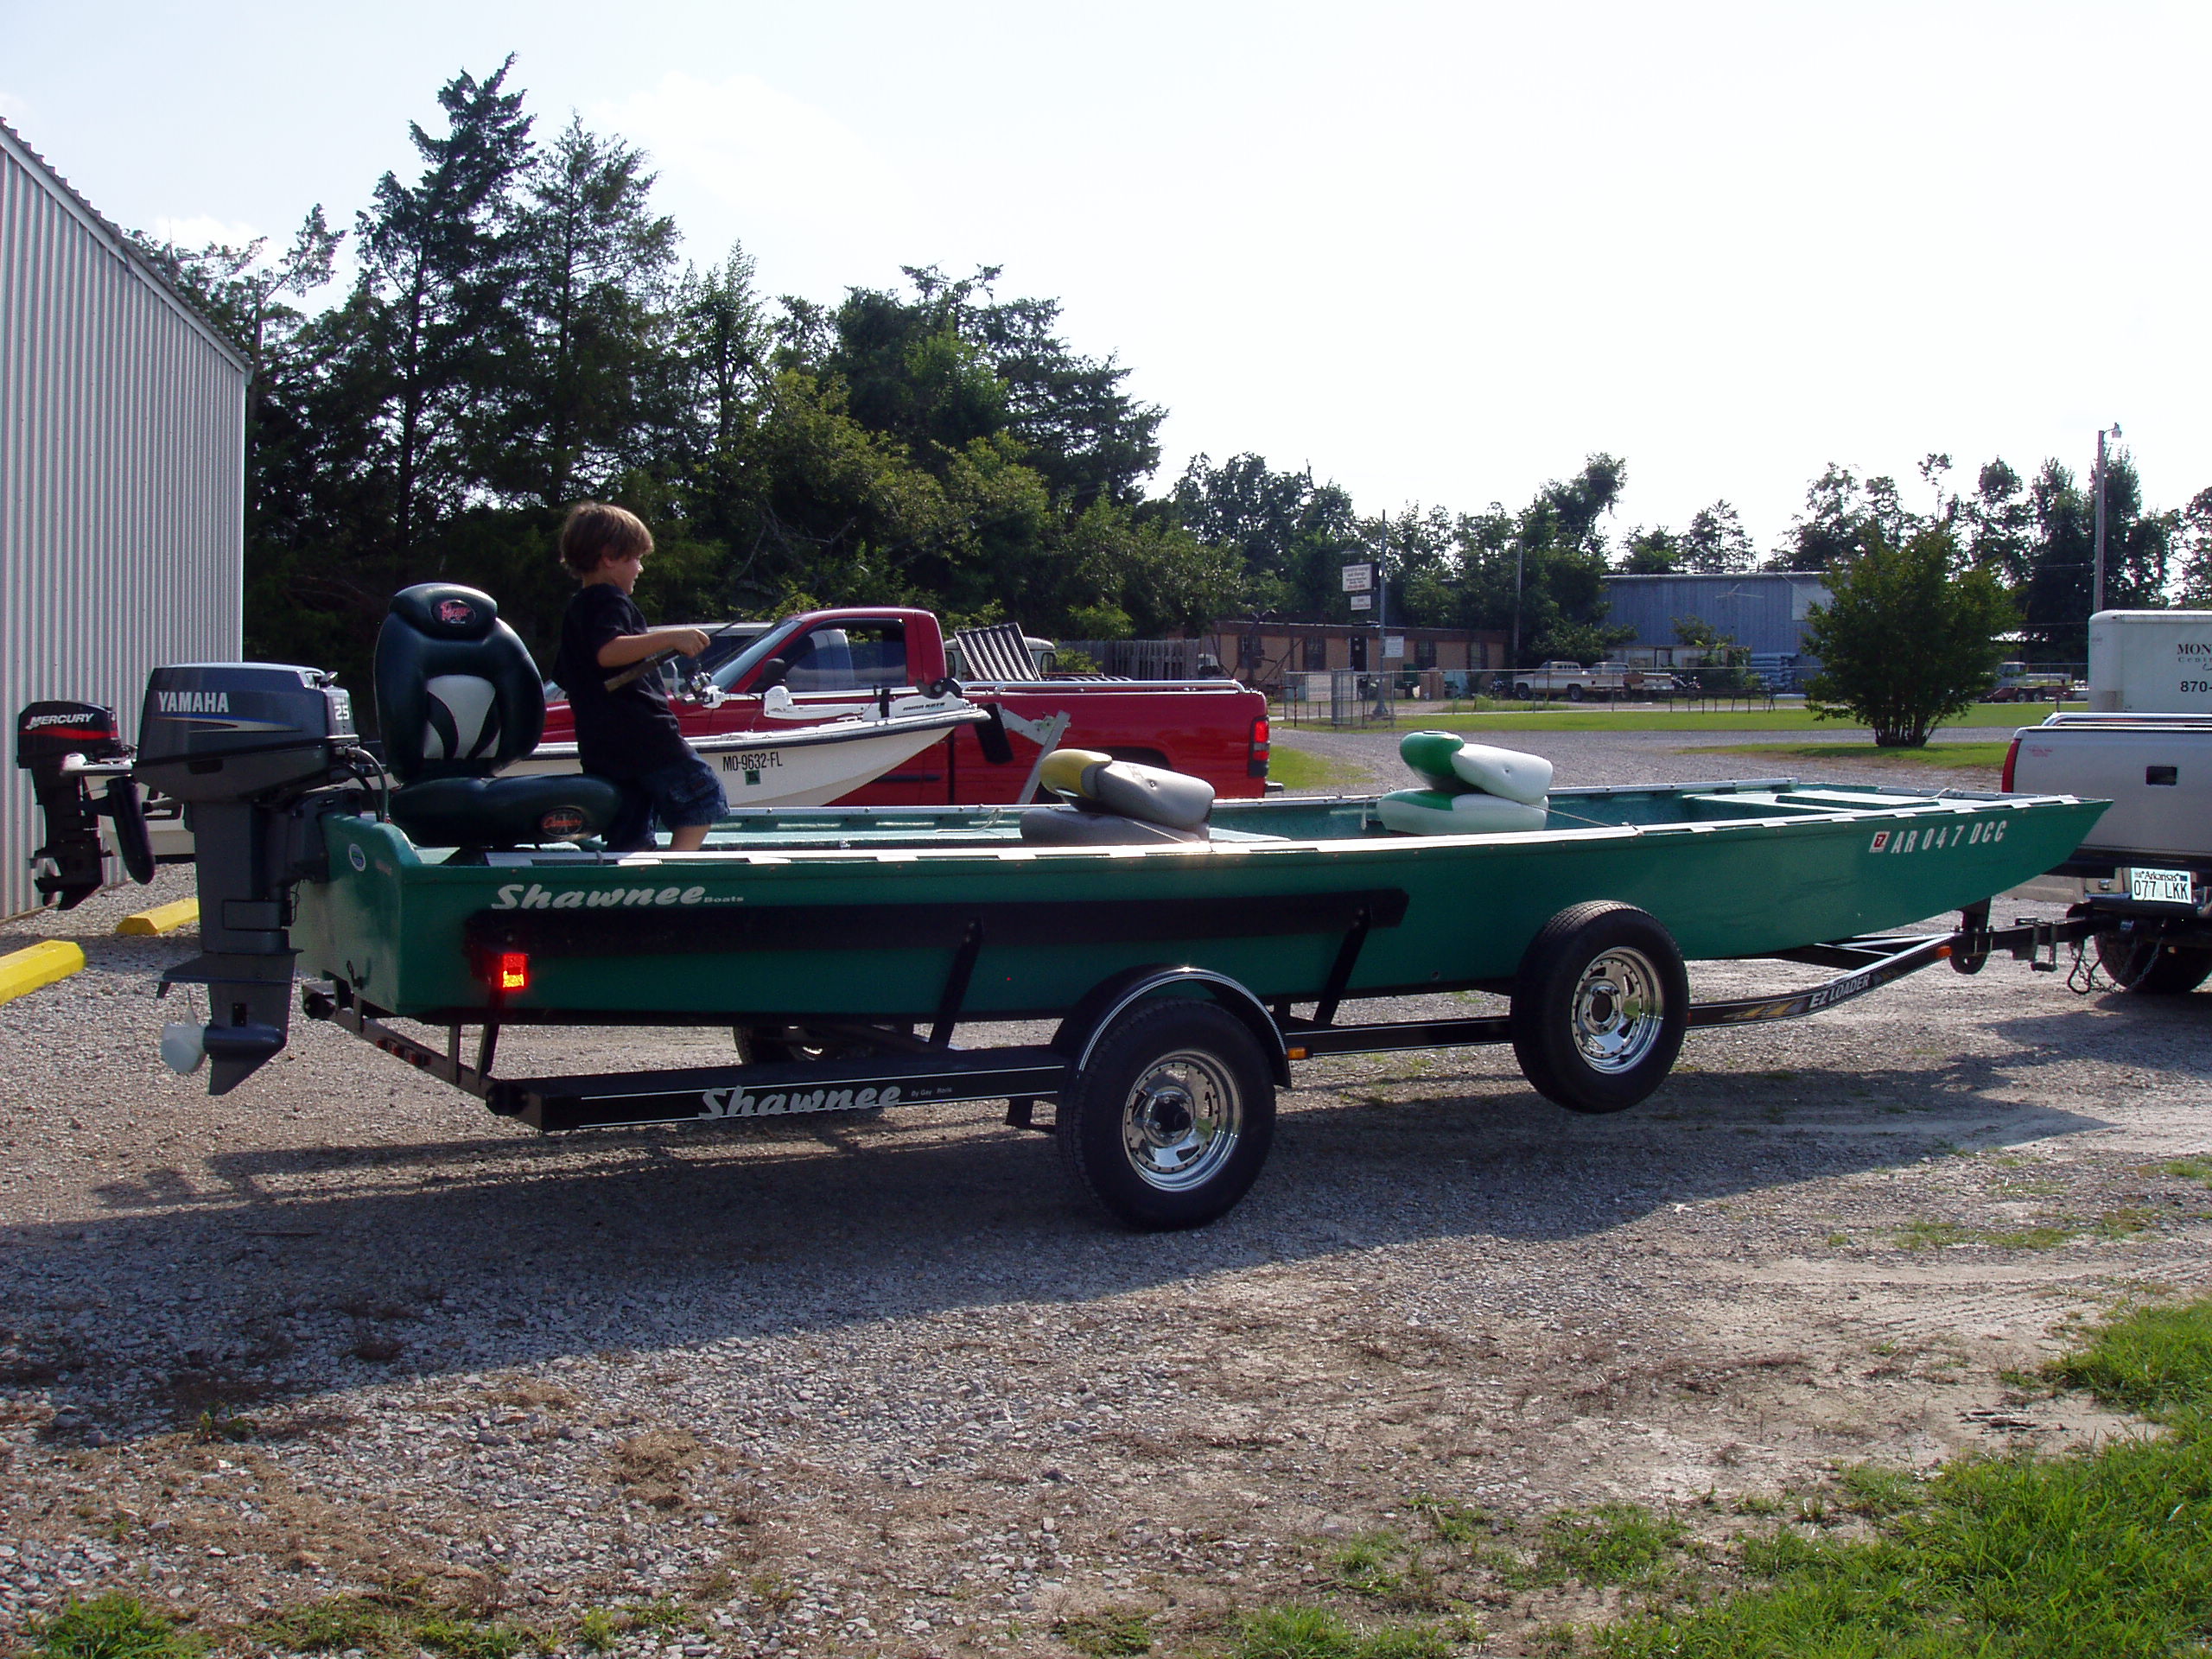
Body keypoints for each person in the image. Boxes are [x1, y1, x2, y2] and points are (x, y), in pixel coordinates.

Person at [551, 502, 724, 852]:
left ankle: (634, 888)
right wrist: (673, 637)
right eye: (635, 559)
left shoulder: (578, 607)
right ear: (609, 556)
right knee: (702, 799)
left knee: (628, 829)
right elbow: (608, 651)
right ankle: (676, 874)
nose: (640, 568)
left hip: (602, 746)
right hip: (646, 737)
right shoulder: (608, 600)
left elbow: (567, 673)